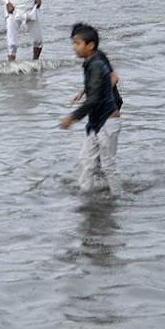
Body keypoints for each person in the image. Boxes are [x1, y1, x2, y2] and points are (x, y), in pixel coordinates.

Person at [60, 22, 123, 197]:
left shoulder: (96, 63)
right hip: (98, 121)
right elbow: (96, 88)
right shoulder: (91, 63)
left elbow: (96, 97)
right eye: (73, 42)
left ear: (90, 45)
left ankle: (117, 199)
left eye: (77, 43)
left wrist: (71, 117)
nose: (74, 47)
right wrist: (85, 91)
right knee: (85, 161)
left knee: (108, 165)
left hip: (108, 120)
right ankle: (86, 198)